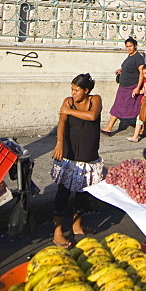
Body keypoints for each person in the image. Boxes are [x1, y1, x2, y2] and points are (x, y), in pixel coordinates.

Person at [51, 73, 103, 247]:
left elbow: (92, 116)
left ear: (86, 91)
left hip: (88, 152)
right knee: (63, 192)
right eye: (72, 89)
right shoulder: (68, 101)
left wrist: (68, 111)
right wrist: (59, 144)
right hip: (69, 152)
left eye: (77, 90)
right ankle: (57, 232)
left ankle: (77, 226)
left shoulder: (95, 99)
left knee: (83, 191)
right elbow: (62, 123)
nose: (73, 93)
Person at [101, 37, 146, 136]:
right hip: (123, 86)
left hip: (131, 87)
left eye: (130, 46)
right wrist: (121, 70)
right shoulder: (130, 56)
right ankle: (109, 127)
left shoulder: (138, 58)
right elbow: (129, 67)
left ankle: (142, 128)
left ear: (135, 45)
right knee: (119, 106)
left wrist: (138, 88)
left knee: (134, 108)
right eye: (127, 46)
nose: (129, 48)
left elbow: (141, 73)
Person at [128, 62, 146, 142]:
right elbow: (144, 90)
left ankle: (136, 136)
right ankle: (136, 135)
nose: (144, 75)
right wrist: (138, 92)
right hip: (145, 103)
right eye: (143, 73)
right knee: (141, 118)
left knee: (142, 119)